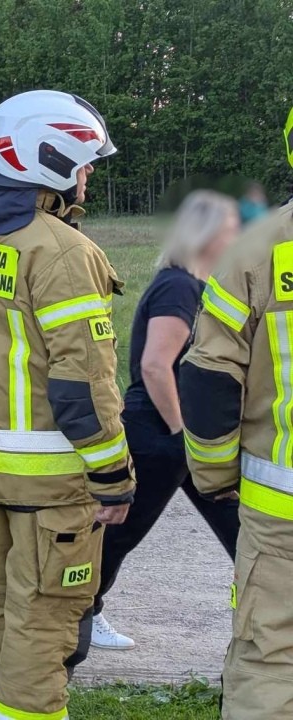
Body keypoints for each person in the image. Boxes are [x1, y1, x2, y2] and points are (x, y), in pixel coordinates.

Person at [0, 90, 134, 720]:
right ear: (50, 159)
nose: (88, 172)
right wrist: (114, 477)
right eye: (83, 159)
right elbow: (83, 386)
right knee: (43, 621)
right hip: (53, 486)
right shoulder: (64, 252)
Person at [179, 106, 293, 719]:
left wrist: (216, 475)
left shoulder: (258, 248)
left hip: (281, 513)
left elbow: (208, 378)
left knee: (270, 660)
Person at [90, 190, 241, 651]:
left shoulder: (194, 285)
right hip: (159, 433)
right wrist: (181, 432)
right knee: (119, 533)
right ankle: (79, 613)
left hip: (181, 434)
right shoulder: (179, 287)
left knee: (241, 527)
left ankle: (266, 614)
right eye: (231, 229)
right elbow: (156, 366)